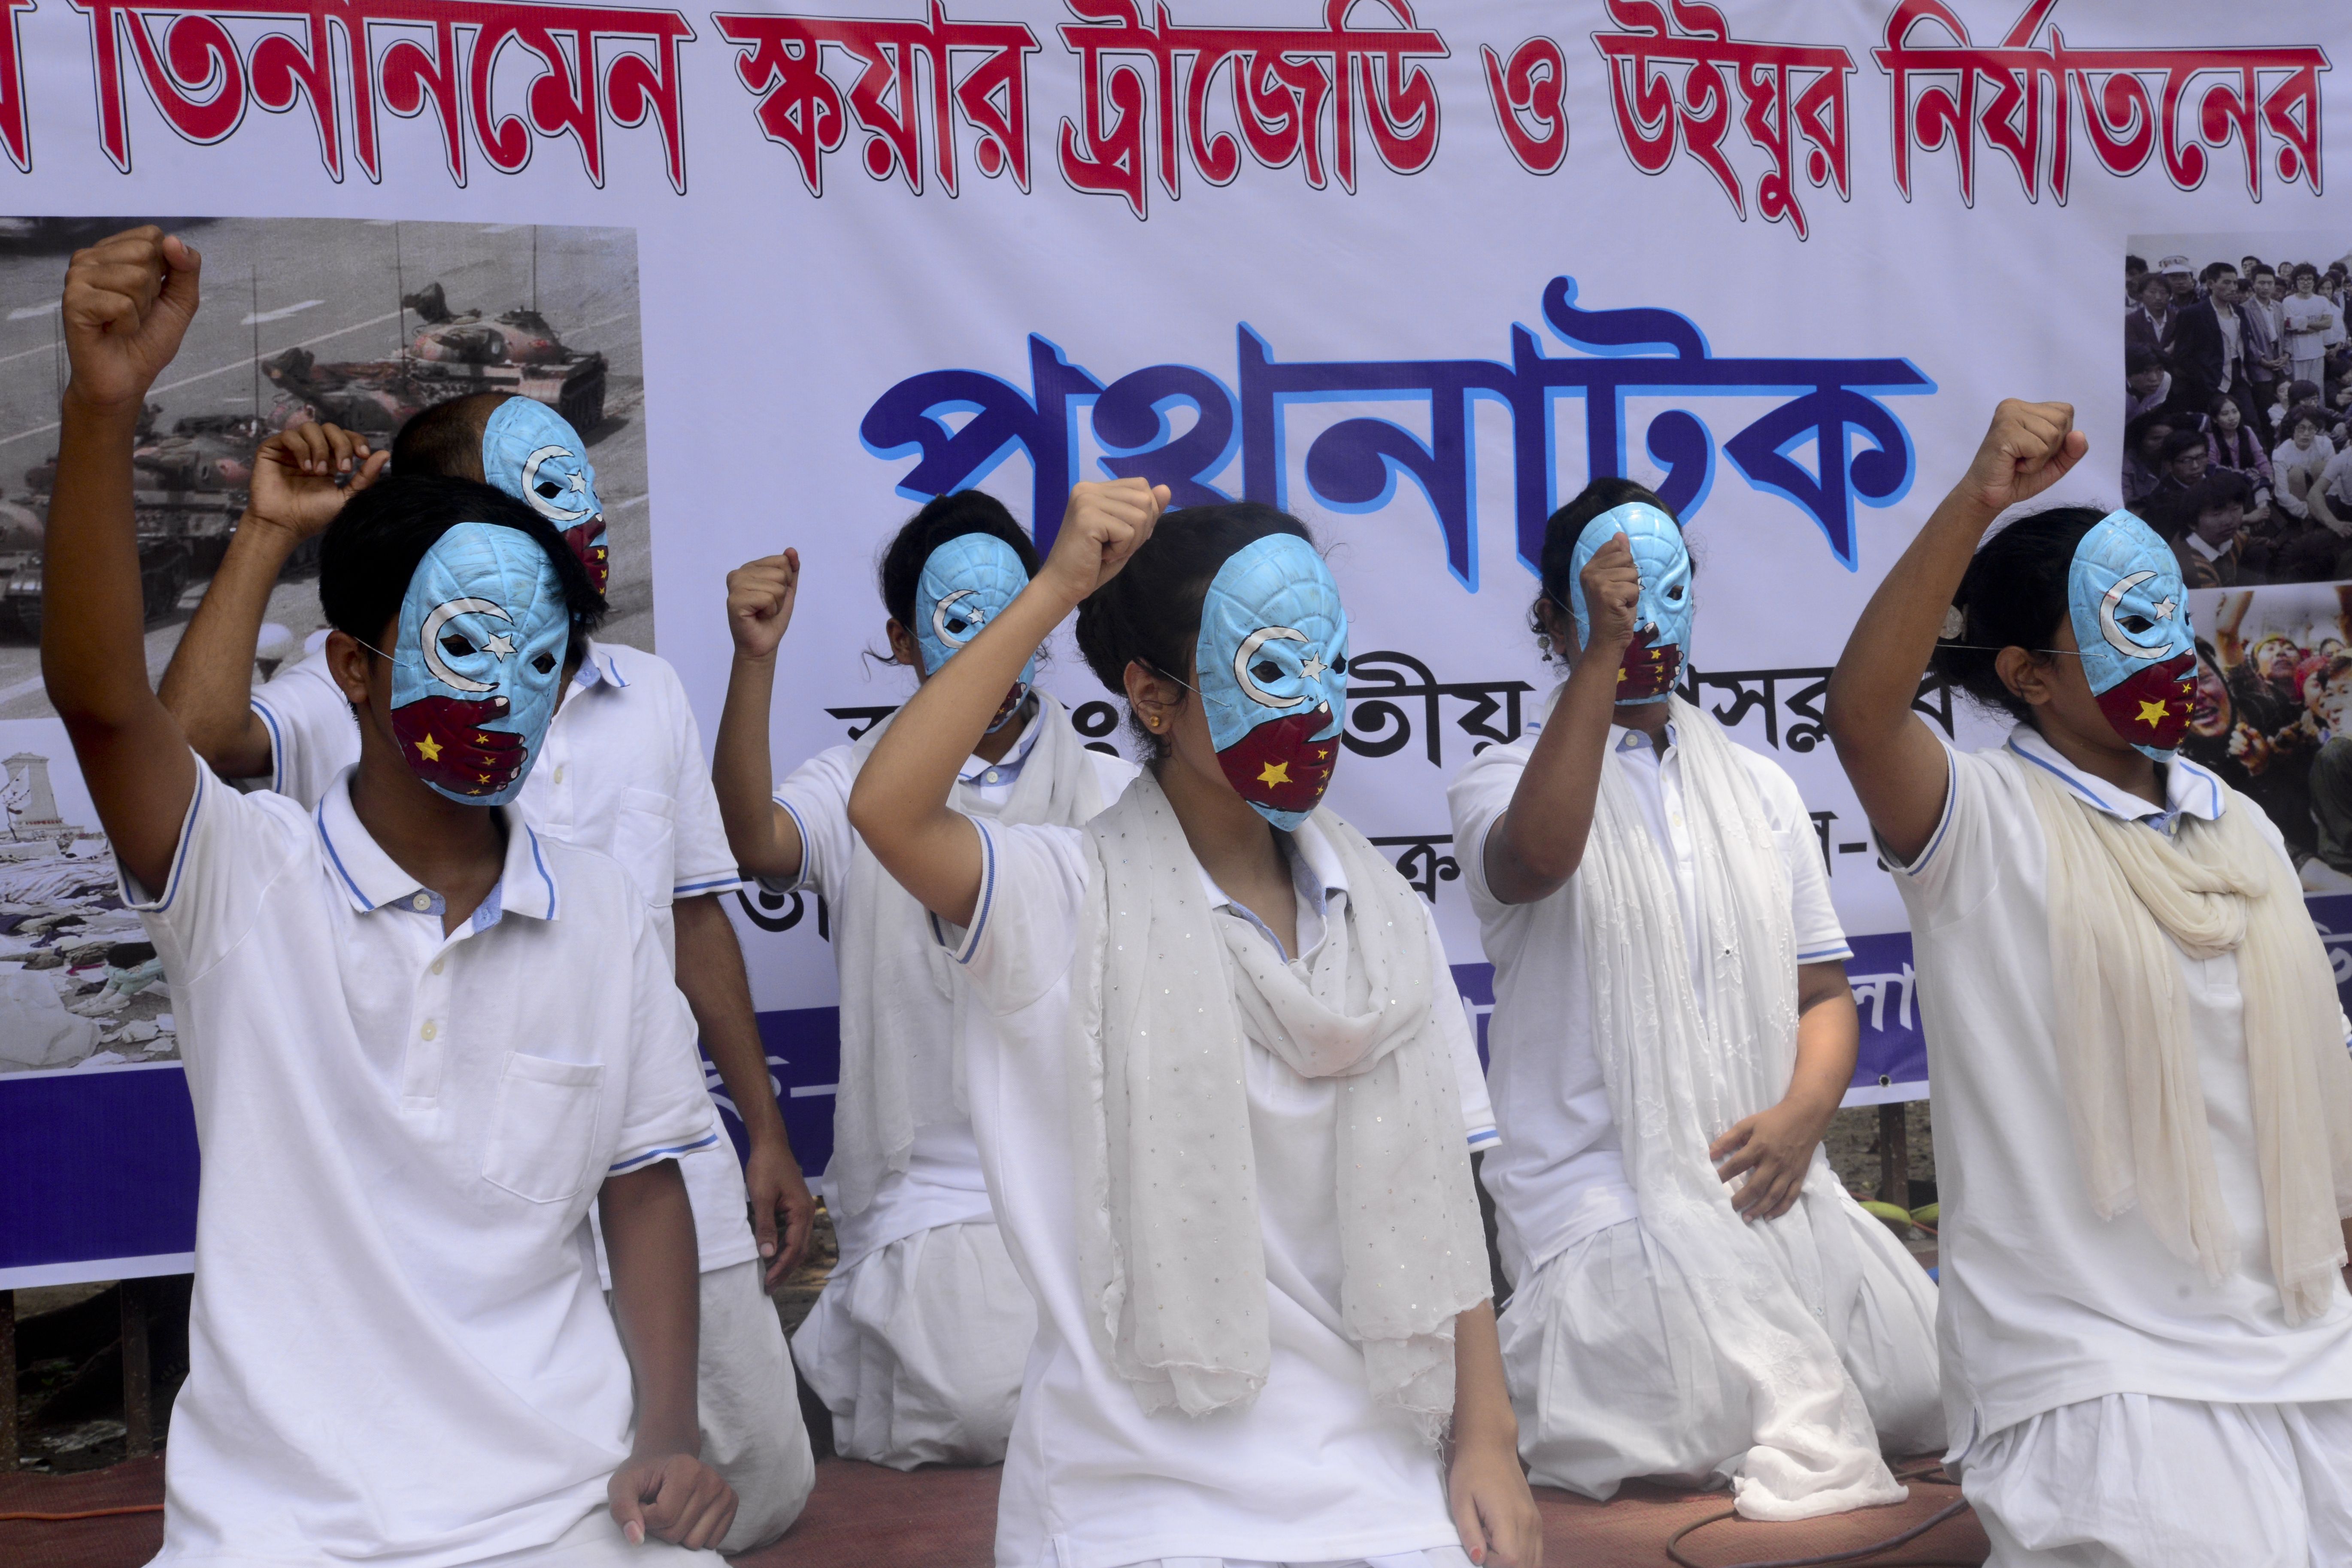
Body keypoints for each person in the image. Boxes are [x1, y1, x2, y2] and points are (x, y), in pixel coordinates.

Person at [45, 227, 743, 1563]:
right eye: (467, 643)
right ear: (352, 670)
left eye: (541, 657)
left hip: (559, 1514)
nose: (509, 689)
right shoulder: (241, 880)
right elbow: (102, 703)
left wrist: (667, 1426)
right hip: (276, 1529)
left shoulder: (598, 903)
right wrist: (103, 408)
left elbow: (644, 1173)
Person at [156, 396, 816, 1551]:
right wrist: (264, 536)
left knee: (753, 1471)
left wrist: (762, 1126)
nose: (571, 525)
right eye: (530, 496)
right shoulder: (332, 710)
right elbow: (184, 748)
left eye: (581, 495)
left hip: (618, 1140)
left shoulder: (644, 694)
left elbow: (692, 918)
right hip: (419, 1226)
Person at [846, 477, 1542, 1568]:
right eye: (1268, 669)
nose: (1310, 707)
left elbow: (1447, 1193)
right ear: (1154, 696)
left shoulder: (1384, 919)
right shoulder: (1061, 896)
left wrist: (1487, 1439)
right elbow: (886, 809)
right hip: (1137, 1491)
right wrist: (1057, 586)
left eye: (1328, 664)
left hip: (1374, 1464)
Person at [1825, 398, 2352, 1565]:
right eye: (2127, 625)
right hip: (2101, 1369)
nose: (2170, 650)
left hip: (2307, 1346)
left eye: (2170, 615)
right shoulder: (1986, 824)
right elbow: (1862, 715)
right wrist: (1977, 501)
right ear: (2031, 679)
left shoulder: (2245, 830)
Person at [1446, 479, 1940, 1518]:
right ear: (1551, 616)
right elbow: (1536, 858)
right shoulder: (1494, 777)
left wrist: (1802, 1118)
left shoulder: (1756, 787)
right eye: (1612, 597)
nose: (1644, 619)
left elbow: (1820, 990)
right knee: (1667, 1401)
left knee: (1910, 1376)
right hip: (1602, 1189)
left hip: (1763, 1170)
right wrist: (1600, 653)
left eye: (1664, 591)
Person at [710, 492, 1136, 1470]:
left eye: (1011, 608)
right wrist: (753, 661)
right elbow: (753, 843)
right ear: (902, 639)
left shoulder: (1118, 794)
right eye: (956, 618)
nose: (990, 639)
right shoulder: (855, 785)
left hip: (1089, 1178)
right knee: (987, 1398)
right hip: (933, 1193)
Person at [2273, 405, 2338, 524]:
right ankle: (2307, 524)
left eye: (2312, 428)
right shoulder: (2281, 453)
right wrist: (2307, 511)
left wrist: (2324, 509)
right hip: (2298, 501)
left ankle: (2328, 520)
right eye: (2301, 428)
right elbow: (2282, 494)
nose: (2306, 434)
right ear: (2293, 429)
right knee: (2295, 474)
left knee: (2320, 467)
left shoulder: (2325, 444)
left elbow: (2335, 480)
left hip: (2325, 501)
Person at [2285, 266, 2339, 387]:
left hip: (2318, 354)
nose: (2306, 282)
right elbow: (2292, 328)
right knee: (2300, 390)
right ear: (2296, 281)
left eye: (2309, 279)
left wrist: (2302, 322)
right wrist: (2318, 325)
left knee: (2317, 390)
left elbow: (2328, 324)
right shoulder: (2288, 302)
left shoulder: (2322, 301)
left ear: (2314, 281)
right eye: (2301, 279)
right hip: (2297, 356)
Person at [2121, 412, 2174, 506]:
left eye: (2168, 438)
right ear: (2140, 440)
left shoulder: (2177, 460)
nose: (2163, 444)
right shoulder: (2125, 468)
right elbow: (2126, 505)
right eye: (2156, 439)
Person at [2123, 349, 2170, 423]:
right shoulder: (2117, 393)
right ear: (2128, 374)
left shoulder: (2165, 380)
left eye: (2160, 369)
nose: (2154, 379)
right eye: (2145, 371)